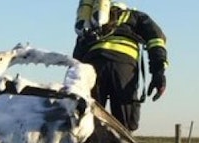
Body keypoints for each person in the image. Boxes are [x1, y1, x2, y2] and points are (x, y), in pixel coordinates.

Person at [72, 1, 167, 132]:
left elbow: (76, 58)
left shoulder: (91, 25)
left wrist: (74, 85)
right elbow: (156, 40)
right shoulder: (134, 16)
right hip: (123, 66)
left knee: (89, 118)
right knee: (125, 123)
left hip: (93, 65)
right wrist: (158, 72)